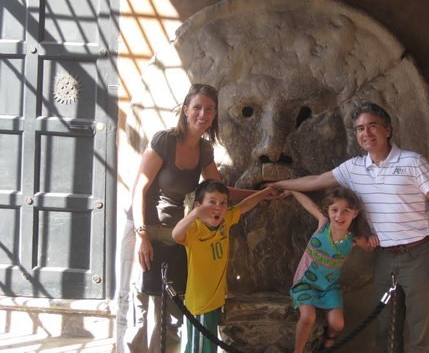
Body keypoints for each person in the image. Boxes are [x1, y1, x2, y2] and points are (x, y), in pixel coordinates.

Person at [272, 102, 429, 352]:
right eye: (360, 129)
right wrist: (279, 186)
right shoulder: (354, 168)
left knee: (421, 327)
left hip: (419, 255)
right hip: (384, 256)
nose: (366, 133)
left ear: (387, 130)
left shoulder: (413, 162)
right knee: (385, 326)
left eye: (372, 126)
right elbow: (317, 181)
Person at [124, 84, 254, 353]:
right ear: (186, 110)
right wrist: (141, 236)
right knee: (141, 308)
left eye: (209, 109)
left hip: (175, 233)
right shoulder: (164, 141)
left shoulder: (204, 150)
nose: (202, 114)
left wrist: (262, 193)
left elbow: (219, 191)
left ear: (215, 114)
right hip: (144, 227)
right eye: (197, 107)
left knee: (171, 308)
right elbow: (140, 188)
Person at [172, 179, 278, 353]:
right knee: (200, 349)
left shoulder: (225, 220)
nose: (218, 207)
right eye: (211, 202)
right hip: (201, 305)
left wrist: (266, 192)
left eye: (223, 203)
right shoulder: (194, 229)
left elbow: (245, 205)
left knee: (209, 347)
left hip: (216, 300)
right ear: (199, 205)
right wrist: (195, 213)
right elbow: (176, 234)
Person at [286, 187, 371, 352]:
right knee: (307, 317)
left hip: (329, 286)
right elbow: (307, 204)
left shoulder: (353, 238)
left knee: (337, 324)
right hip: (306, 282)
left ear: (355, 213)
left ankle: (327, 343)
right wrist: (291, 190)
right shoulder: (323, 223)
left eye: (346, 211)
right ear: (328, 211)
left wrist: (373, 240)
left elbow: (369, 246)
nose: (339, 216)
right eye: (335, 210)